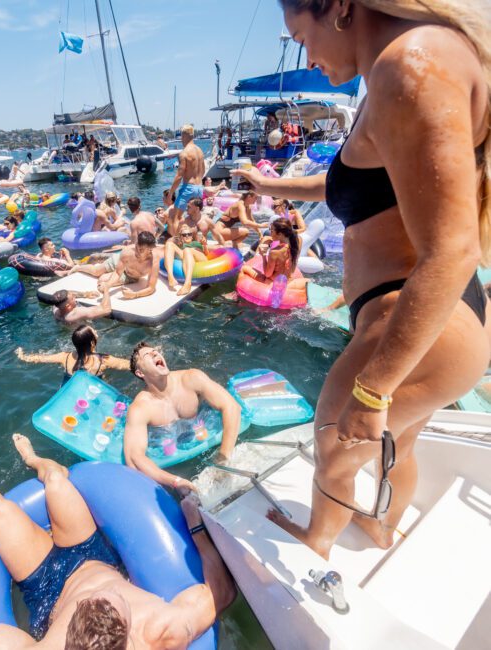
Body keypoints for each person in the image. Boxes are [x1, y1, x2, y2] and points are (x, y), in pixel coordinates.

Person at [231, 0, 491, 560]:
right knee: (400, 443)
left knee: (335, 449)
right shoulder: (400, 69)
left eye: (302, 35)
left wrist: (372, 390)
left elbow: (452, 250)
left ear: (339, 7)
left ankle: (316, 543)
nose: (307, 56)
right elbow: (351, 189)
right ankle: (381, 528)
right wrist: (266, 185)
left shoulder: (409, 62)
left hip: (414, 319)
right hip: (445, 328)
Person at [0, 435, 235, 648]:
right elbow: (221, 593)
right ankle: (34, 460)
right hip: (91, 556)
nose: (103, 592)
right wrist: (196, 528)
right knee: (57, 478)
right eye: (111, 596)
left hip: (46, 588)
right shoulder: (162, 631)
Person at [124, 342, 243, 491]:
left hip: (206, 439)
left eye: (156, 351)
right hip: (172, 458)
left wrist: (223, 458)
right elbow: (133, 458)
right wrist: (176, 481)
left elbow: (232, 407)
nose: (155, 353)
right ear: (140, 373)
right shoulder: (140, 408)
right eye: (148, 355)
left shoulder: (191, 378)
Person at [16, 324, 130, 385]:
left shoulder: (64, 357)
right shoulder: (104, 360)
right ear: (92, 342)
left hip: (67, 392)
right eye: (94, 332)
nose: (96, 332)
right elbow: (130, 365)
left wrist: (22, 355)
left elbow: (40, 358)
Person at [76, 232, 160, 300]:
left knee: (102, 280)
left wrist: (135, 294)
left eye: (141, 250)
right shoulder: (128, 251)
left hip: (130, 276)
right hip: (120, 262)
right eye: (136, 247)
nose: (137, 251)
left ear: (150, 250)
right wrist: (108, 286)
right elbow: (117, 272)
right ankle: (77, 267)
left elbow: (151, 288)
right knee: (96, 271)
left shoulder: (153, 263)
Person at [240, 218, 308, 291]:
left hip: (272, 283)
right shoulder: (298, 242)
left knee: (243, 268)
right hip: (288, 282)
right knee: (308, 281)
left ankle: (235, 295)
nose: (270, 233)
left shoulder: (275, 252)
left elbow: (267, 274)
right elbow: (293, 266)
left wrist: (263, 255)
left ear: (280, 234)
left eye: (272, 231)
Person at [167, 124, 205, 222]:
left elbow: (179, 176)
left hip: (188, 188)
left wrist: (170, 194)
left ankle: (176, 237)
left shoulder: (184, 153)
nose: (181, 139)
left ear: (184, 136)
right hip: (199, 188)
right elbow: (203, 170)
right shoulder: (200, 151)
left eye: (181, 137)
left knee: (176, 217)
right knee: (194, 217)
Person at [163, 223, 209, 295]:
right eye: (184, 235)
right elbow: (168, 246)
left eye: (189, 234)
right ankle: (170, 277)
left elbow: (206, 254)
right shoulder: (180, 245)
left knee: (187, 250)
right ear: (181, 237)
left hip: (199, 257)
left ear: (192, 236)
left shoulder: (196, 243)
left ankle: (187, 284)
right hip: (186, 255)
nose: (187, 236)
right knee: (169, 244)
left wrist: (205, 245)